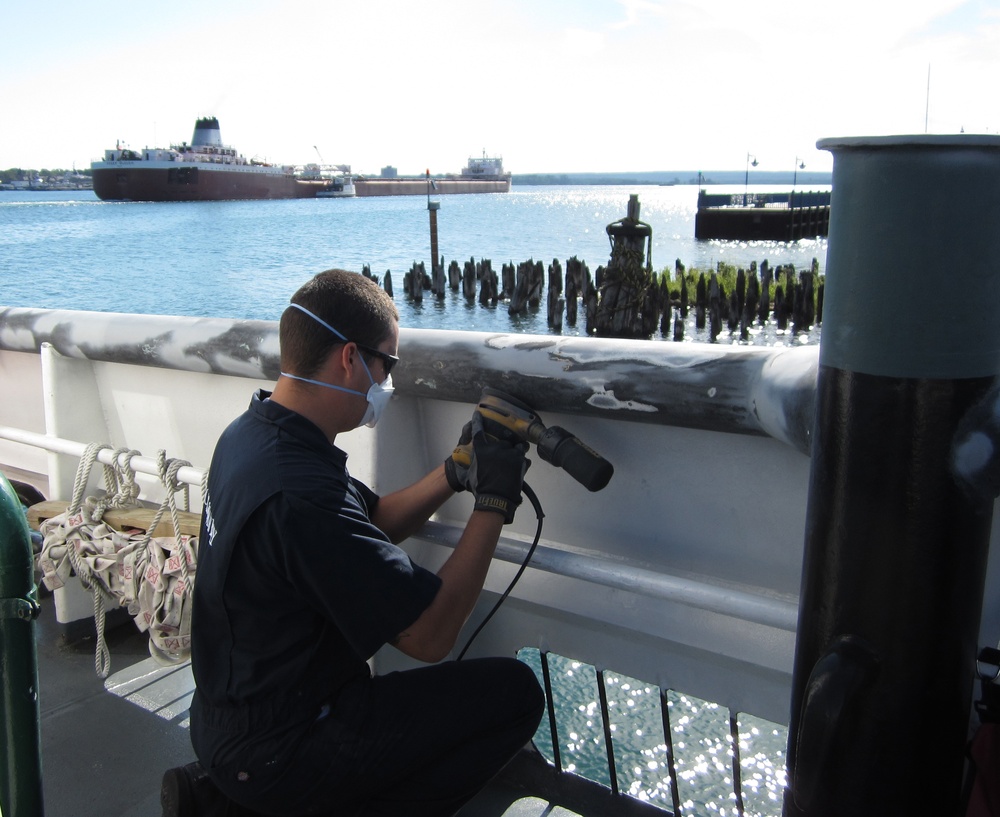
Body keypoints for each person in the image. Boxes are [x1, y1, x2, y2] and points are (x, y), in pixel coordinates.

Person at [161, 269, 545, 817]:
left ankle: (230, 795)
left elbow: (375, 520)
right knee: (514, 695)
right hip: (281, 745)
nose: (387, 380)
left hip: (229, 719)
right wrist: (495, 502)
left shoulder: (254, 434)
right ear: (349, 358)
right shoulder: (300, 493)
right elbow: (431, 636)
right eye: (386, 362)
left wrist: (455, 471)